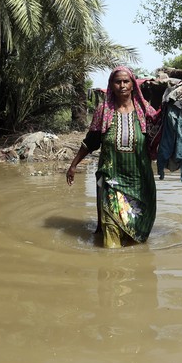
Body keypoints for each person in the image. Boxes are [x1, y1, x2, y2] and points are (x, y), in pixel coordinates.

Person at [66, 67, 160, 248]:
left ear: (133, 84)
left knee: (135, 235)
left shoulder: (145, 111)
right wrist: (73, 165)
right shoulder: (104, 111)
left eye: (126, 81)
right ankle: (110, 268)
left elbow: (160, 137)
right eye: (118, 82)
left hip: (140, 182)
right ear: (111, 85)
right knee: (111, 234)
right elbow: (90, 142)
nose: (122, 85)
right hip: (111, 180)